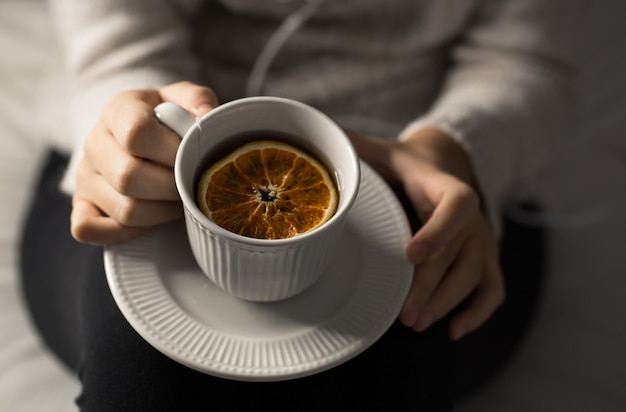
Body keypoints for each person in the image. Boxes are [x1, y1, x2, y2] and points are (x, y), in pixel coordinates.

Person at [21, 0, 584, 410]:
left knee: (395, 363)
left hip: (421, 151)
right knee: (143, 369)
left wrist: (453, 147)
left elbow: (530, 60)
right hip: (170, 137)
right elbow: (118, 33)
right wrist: (130, 127)